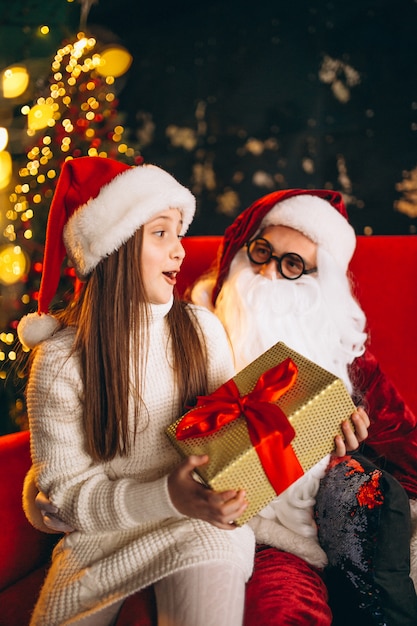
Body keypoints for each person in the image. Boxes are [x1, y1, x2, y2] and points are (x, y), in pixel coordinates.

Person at [17, 156, 257, 626]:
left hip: (198, 525)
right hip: (100, 540)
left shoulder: (202, 331)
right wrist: (166, 493)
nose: (180, 252)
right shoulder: (61, 361)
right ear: (116, 246)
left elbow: (233, 445)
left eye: (179, 234)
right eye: (161, 233)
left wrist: (311, 433)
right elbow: (66, 495)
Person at [190, 189, 417, 626]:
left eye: (292, 264)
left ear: (320, 281)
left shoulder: (346, 358)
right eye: (261, 252)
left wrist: (349, 454)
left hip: (314, 526)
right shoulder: (194, 332)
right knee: (284, 611)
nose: (267, 274)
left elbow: (407, 451)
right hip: (234, 532)